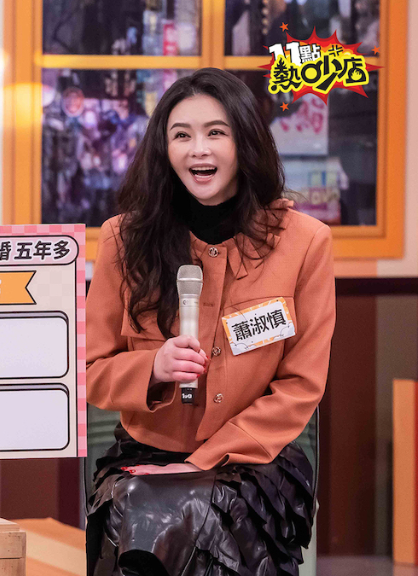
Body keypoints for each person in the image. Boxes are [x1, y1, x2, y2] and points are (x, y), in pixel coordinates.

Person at [85, 68, 334, 576]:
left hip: (253, 464)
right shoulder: (122, 239)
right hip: (147, 461)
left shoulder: (305, 242)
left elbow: (301, 386)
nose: (199, 149)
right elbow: (89, 369)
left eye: (216, 132)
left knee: (208, 520)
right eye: (182, 135)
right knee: (145, 518)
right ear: (164, 149)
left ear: (245, 141)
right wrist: (153, 368)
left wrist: (200, 464)